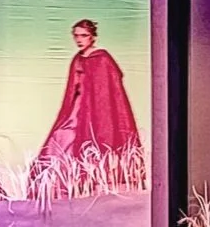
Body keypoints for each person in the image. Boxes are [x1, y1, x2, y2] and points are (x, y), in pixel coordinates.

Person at [34, 19, 142, 170]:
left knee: (98, 141)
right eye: (76, 36)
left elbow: (111, 88)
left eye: (84, 35)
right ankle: (59, 178)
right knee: (61, 136)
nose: (79, 40)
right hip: (78, 109)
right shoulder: (77, 59)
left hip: (99, 110)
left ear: (93, 37)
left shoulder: (103, 59)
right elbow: (73, 89)